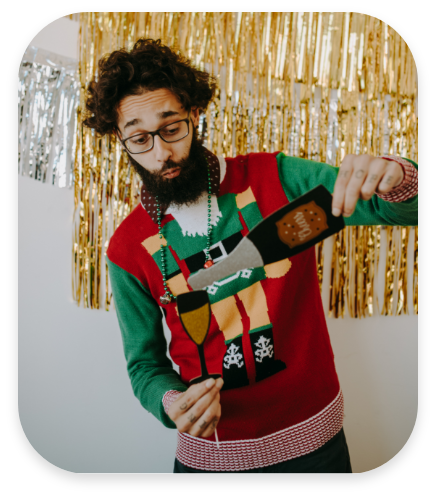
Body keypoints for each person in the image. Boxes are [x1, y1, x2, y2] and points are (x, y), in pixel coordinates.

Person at [84, 38, 418, 473]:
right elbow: (145, 365)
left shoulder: (275, 179)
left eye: (171, 128)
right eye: (139, 138)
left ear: (195, 114)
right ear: (119, 138)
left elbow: (395, 209)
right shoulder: (127, 247)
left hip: (314, 444)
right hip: (210, 456)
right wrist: (172, 402)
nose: (161, 152)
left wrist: (396, 177)